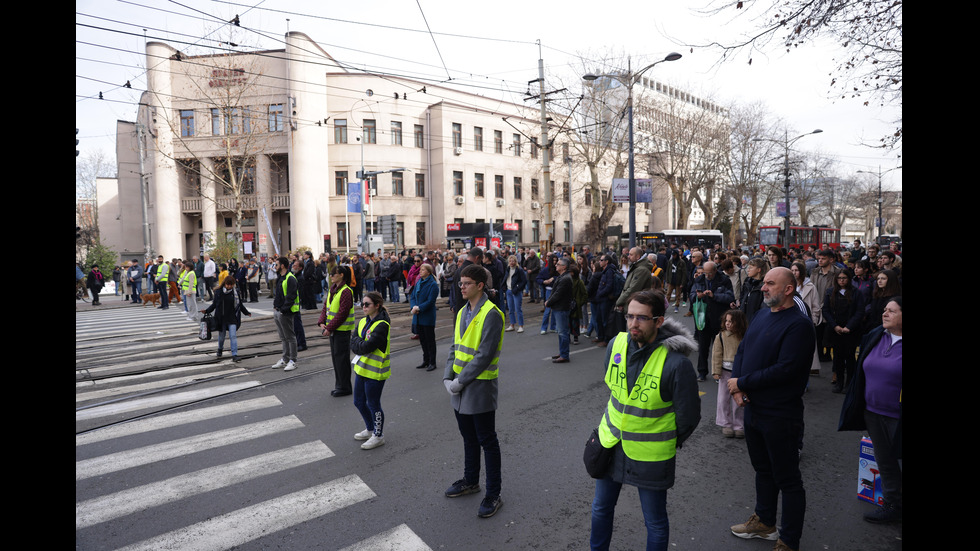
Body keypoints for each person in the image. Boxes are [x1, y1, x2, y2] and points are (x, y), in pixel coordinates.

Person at [590, 290, 701, 551]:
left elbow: (689, 417)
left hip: (650, 454)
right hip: (610, 442)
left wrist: (664, 439)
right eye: (629, 316)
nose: (632, 324)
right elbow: (615, 391)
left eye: (641, 318)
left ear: (659, 321)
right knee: (600, 509)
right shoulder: (615, 345)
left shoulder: (676, 364)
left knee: (654, 521)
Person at [727, 267, 815, 551]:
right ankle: (765, 522)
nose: (763, 288)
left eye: (770, 283)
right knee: (762, 469)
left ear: (788, 289)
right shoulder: (763, 314)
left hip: (780, 414)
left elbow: (786, 370)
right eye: (763, 282)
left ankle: (789, 540)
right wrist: (737, 388)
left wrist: (743, 382)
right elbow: (743, 350)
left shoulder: (799, 325)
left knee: (788, 478)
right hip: (754, 410)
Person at [442, 263, 505, 519]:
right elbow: (454, 346)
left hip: (478, 387)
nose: (461, 287)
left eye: (466, 283)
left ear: (480, 285)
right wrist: (447, 376)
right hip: (459, 386)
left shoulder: (492, 313)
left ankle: (494, 493)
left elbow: (484, 355)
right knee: (468, 437)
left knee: (487, 440)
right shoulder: (462, 311)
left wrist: (459, 381)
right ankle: (470, 480)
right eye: (460, 283)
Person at [838, 296, 902, 524]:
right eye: (885, 310)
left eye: (892, 311)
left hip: (898, 416)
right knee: (884, 460)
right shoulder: (876, 336)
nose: (885, 314)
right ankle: (893, 504)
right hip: (873, 411)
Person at [350, 291, 391, 450]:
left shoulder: (382, 324)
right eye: (362, 304)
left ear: (377, 306)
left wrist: (358, 344)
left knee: (373, 403)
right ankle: (370, 428)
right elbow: (353, 342)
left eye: (367, 304)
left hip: (376, 372)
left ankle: (378, 435)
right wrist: (358, 344)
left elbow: (366, 346)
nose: (363, 307)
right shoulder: (362, 321)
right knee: (358, 402)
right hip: (362, 369)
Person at [689, 261, 735, 382]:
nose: (707, 276)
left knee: (719, 347)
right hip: (703, 318)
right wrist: (697, 296)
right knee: (703, 347)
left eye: (709, 273)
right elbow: (691, 295)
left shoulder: (724, 280)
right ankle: (702, 372)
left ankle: (718, 372)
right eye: (705, 273)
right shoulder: (699, 280)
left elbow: (730, 297)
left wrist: (714, 296)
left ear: (715, 271)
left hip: (719, 317)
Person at [823, 269, 865, 393]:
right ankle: (839, 382)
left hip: (851, 330)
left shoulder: (856, 293)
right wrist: (835, 326)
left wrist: (849, 326)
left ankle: (849, 383)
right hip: (835, 330)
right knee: (837, 358)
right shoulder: (830, 292)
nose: (842, 280)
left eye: (844, 278)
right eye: (839, 278)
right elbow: (826, 310)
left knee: (850, 357)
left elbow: (859, 311)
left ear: (849, 279)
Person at [319, 265, 355, 396]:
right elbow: (326, 307)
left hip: (342, 330)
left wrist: (329, 327)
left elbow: (343, 313)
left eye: (334, 273)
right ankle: (339, 385)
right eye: (331, 273)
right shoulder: (333, 289)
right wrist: (322, 321)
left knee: (342, 359)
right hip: (335, 330)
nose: (331, 275)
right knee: (337, 359)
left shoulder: (346, 291)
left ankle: (345, 387)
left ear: (341, 275)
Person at [201, 275, 251, 362]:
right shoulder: (219, 292)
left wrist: (246, 312)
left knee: (233, 336)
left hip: (232, 318)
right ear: (224, 283)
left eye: (231, 285)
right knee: (221, 337)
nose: (229, 287)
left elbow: (240, 305)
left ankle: (234, 355)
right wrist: (207, 311)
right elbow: (214, 305)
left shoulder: (235, 293)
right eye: (227, 285)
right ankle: (220, 349)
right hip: (221, 319)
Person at [713, 309, 747, 438]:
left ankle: (739, 425)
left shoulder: (744, 336)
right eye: (726, 321)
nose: (728, 324)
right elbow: (716, 354)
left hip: (739, 373)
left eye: (731, 321)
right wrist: (716, 371)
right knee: (723, 399)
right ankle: (726, 423)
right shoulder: (721, 336)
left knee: (738, 400)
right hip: (725, 372)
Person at [271, 257, 299, 372]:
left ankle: (292, 360)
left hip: (286, 312)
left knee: (290, 336)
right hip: (279, 311)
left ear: (282, 265)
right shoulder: (280, 277)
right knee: (283, 337)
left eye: (276, 264)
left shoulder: (290, 278)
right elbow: (278, 294)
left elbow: (291, 296)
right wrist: (276, 307)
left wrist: (283, 309)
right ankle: (285, 358)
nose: (275, 267)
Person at [410, 262, 440, 371]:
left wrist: (419, 308)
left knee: (430, 340)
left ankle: (432, 362)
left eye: (422, 270)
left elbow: (431, 301)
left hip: (427, 316)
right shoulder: (418, 282)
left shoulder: (433, 284)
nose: (420, 271)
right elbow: (412, 296)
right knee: (422, 339)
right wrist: (413, 307)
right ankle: (425, 360)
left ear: (428, 272)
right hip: (418, 316)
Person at [545, 257, 573, 363]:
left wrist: (549, 302)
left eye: (558, 264)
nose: (556, 265)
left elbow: (558, 294)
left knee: (562, 332)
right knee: (561, 332)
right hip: (559, 307)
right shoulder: (562, 276)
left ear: (564, 267)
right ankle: (562, 352)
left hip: (561, 308)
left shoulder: (565, 278)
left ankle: (564, 355)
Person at [864, 269, 901, 336]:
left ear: (891, 280)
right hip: (873, 329)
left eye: (883, 279)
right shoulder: (877, 295)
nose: (879, 281)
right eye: (878, 279)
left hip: (887, 331)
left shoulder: (896, 298)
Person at [738, 258, 767, 325]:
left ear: (759, 270)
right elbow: (742, 296)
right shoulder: (747, 282)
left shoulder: (763, 286)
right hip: (744, 319)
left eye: (751, 268)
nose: (748, 270)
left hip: (756, 321)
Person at [503, 254, 527, 333]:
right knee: (510, 309)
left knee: (518, 309)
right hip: (509, 291)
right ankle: (512, 325)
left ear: (516, 261)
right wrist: (503, 287)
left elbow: (524, 281)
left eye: (513, 261)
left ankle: (521, 326)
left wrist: (517, 288)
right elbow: (505, 278)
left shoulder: (519, 269)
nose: (511, 262)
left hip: (516, 291)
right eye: (510, 261)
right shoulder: (507, 269)